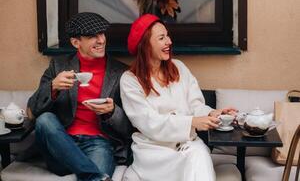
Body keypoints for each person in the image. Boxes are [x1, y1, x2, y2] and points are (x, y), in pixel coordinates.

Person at [120, 14, 237, 181]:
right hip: (154, 152)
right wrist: (191, 122)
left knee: (198, 155)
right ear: (145, 44)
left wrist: (212, 113)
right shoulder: (130, 80)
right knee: (194, 158)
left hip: (188, 145)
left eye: (167, 35)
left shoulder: (179, 68)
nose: (169, 41)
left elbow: (195, 105)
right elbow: (149, 122)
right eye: (161, 38)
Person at [28, 12, 133, 181]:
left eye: (102, 34)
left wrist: (113, 111)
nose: (101, 40)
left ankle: (93, 176)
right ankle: (95, 176)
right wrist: (53, 87)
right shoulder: (58, 66)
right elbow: (31, 111)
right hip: (61, 143)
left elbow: (129, 128)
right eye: (92, 36)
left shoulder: (121, 72)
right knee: (45, 119)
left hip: (99, 143)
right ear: (76, 42)